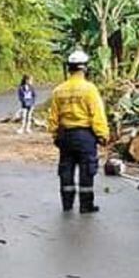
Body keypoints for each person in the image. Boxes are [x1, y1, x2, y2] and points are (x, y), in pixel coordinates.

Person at [47, 50, 110, 213]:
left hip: (65, 135)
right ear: (85, 68)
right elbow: (97, 114)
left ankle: (67, 204)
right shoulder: (89, 89)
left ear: (69, 68)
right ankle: (85, 205)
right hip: (85, 136)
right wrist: (102, 135)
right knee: (87, 169)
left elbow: (53, 117)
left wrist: (55, 134)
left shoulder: (58, 90)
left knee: (66, 169)